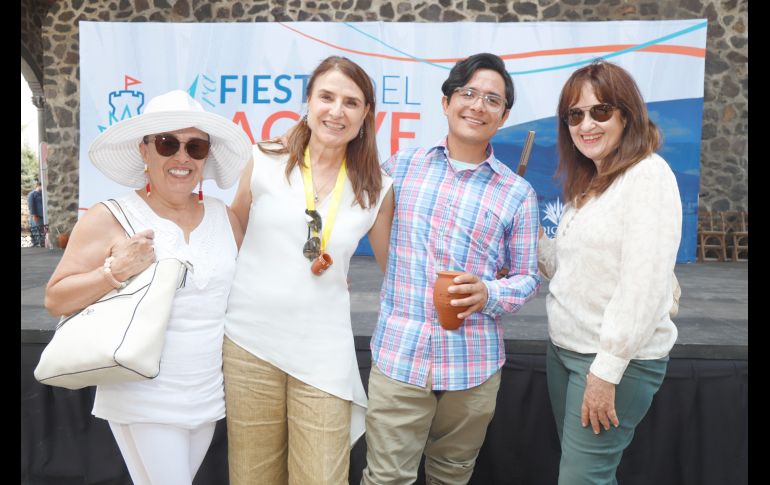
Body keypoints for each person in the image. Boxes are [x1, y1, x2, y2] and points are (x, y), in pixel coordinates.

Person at [43, 90, 252, 485]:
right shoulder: (111, 216)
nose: (182, 157)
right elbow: (55, 298)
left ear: (206, 156)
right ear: (145, 151)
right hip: (142, 389)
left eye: (196, 146)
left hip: (205, 390)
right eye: (167, 143)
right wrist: (115, 271)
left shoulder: (225, 218)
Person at [361, 53, 541, 485]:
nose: (478, 106)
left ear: (504, 115)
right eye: (468, 94)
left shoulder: (517, 193)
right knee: (386, 478)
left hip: (473, 366)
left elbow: (527, 277)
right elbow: (367, 222)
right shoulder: (402, 167)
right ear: (446, 102)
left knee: (452, 475)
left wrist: (489, 294)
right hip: (399, 356)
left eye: (492, 100)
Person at [223, 55, 394, 485]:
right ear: (308, 102)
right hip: (249, 341)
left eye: (351, 102)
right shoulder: (263, 158)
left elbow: (396, 264)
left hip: (322, 350)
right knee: (252, 476)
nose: (337, 111)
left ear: (366, 114)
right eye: (327, 97)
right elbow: (235, 226)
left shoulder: (377, 187)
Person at [537, 59, 682, 484]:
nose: (586, 125)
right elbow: (573, 267)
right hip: (565, 350)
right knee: (590, 474)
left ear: (626, 115)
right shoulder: (591, 183)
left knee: (582, 479)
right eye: (575, 115)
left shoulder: (648, 176)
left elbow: (645, 283)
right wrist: (525, 240)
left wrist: (607, 370)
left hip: (609, 362)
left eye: (600, 111)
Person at [27, 179, 44, 247]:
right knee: (36, 231)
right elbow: (31, 205)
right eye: (42, 186)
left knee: (42, 231)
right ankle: (36, 245)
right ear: (39, 186)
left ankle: (41, 245)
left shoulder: (42, 194)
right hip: (36, 216)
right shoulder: (32, 194)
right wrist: (34, 215)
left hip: (42, 216)